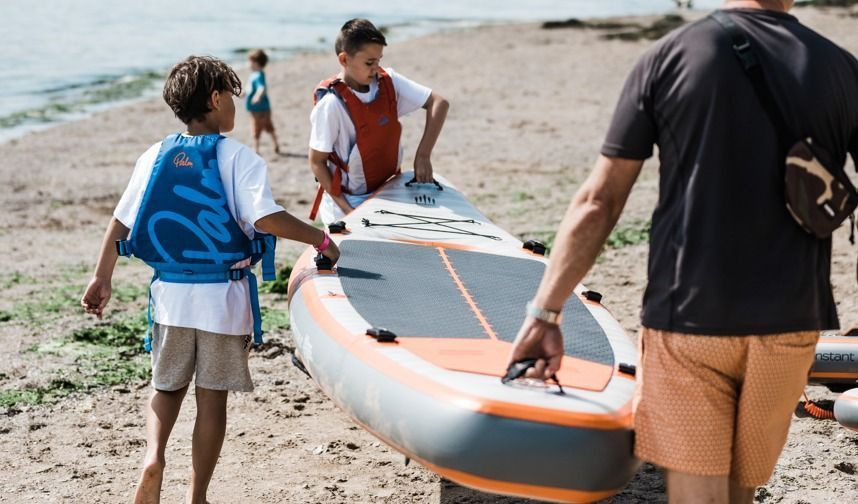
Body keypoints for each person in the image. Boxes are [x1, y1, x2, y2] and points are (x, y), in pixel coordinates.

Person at [507, 1, 858, 502]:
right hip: (791, 321)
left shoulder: (671, 55)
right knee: (741, 492)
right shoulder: (841, 67)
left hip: (689, 319)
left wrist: (545, 313)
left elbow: (599, 202)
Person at [80, 55, 339, 504]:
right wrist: (320, 239)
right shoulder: (240, 159)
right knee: (211, 399)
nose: (235, 107)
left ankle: (154, 456)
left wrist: (102, 276)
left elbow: (120, 223)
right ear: (216, 100)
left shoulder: (154, 155)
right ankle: (197, 496)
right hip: (223, 298)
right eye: (232, 98)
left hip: (170, 297)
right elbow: (266, 217)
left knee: (166, 386)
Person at [308, 18, 449, 224]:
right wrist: (349, 212)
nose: (376, 68)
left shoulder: (389, 82)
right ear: (344, 59)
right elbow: (316, 162)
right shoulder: (331, 105)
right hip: (348, 201)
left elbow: (439, 102)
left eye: (379, 60)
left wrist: (423, 154)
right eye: (369, 63)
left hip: (388, 189)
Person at [246, 49, 280, 154]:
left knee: (259, 128)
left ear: (256, 63)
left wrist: (258, 96)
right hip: (256, 109)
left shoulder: (259, 75)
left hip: (260, 109)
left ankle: (257, 149)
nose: (248, 64)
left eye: (250, 62)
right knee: (266, 127)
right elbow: (249, 89)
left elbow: (262, 88)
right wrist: (243, 93)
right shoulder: (253, 75)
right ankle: (275, 144)